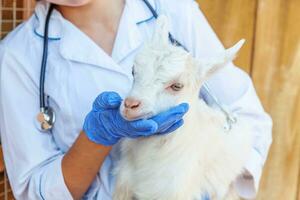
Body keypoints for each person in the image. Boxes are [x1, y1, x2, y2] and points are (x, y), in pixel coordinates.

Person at [0, 0, 272, 199]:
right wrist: (96, 138)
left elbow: (246, 115)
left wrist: (208, 187)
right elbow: (36, 190)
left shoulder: (170, 8)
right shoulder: (18, 56)